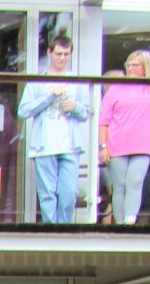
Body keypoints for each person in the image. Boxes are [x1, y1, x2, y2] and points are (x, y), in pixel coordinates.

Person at [17, 35, 90, 222]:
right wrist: (48, 97)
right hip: (44, 145)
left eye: (66, 54)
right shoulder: (37, 81)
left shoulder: (78, 80)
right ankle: (50, 230)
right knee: (47, 194)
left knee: (68, 193)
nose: (62, 58)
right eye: (58, 54)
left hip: (70, 145)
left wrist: (75, 107)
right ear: (49, 52)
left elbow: (87, 112)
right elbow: (23, 110)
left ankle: (64, 230)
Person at [100, 50, 150, 225]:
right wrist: (103, 146)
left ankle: (129, 220)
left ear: (145, 67)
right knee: (119, 186)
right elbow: (103, 120)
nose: (130, 69)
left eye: (135, 65)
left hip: (141, 146)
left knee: (135, 182)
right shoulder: (115, 89)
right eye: (128, 65)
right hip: (116, 145)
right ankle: (119, 223)